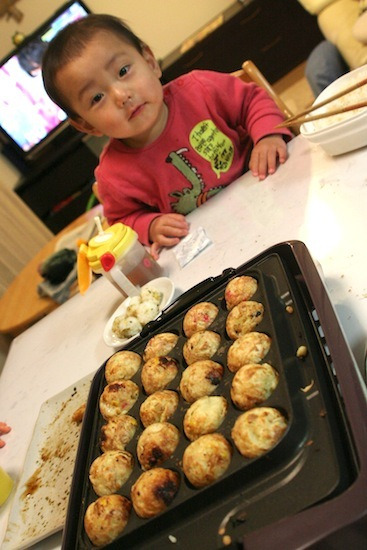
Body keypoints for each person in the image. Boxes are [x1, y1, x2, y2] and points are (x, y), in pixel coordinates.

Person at [42, 14, 292, 258]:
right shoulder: (113, 177)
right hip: (216, 242)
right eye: (97, 98)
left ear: (150, 62)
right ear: (87, 125)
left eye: (123, 71)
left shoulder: (200, 90)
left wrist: (267, 136)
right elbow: (122, 221)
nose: (121, 95)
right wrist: (149, 226)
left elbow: (252, 101)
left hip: (268, 186)